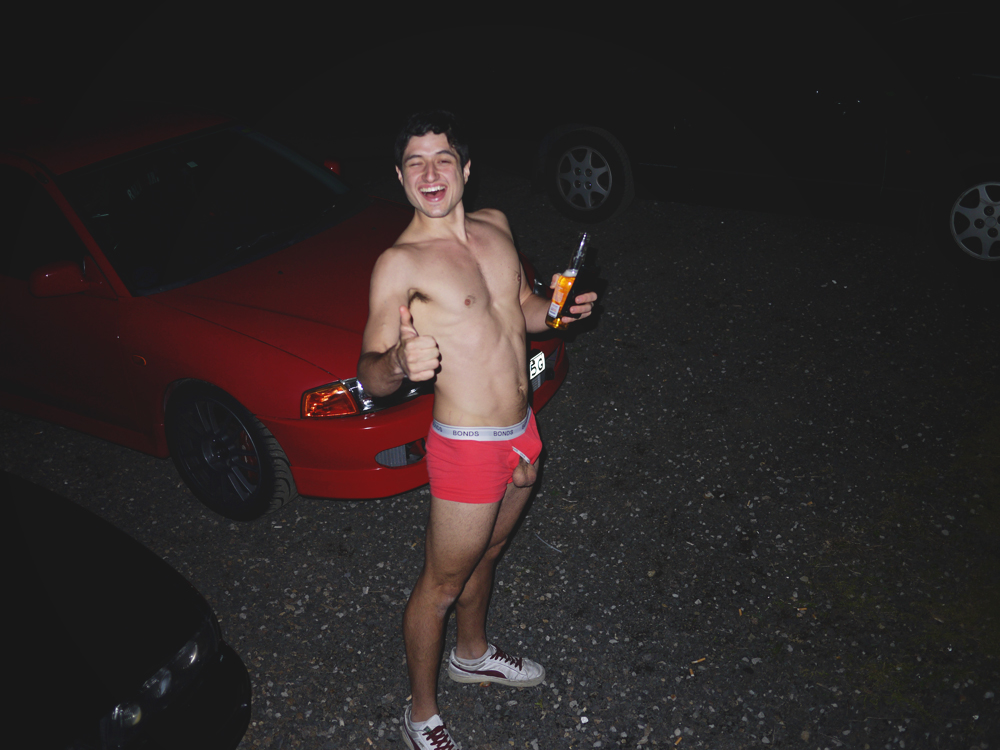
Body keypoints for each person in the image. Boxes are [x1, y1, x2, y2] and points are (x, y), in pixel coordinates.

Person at [357, 110, 597, 750]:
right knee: (438, 586)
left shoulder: (497, 227)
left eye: (442, 159)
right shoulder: (398, 264)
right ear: (400, 178)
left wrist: (557, 310)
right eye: (414, 162)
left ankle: (472, 653)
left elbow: (521, 310)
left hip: (523, 430)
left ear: (465, 168)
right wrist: (397, 362)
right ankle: (421, 716)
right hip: (466, 448)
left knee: (490, 553)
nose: (430, 173)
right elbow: (369, 374)